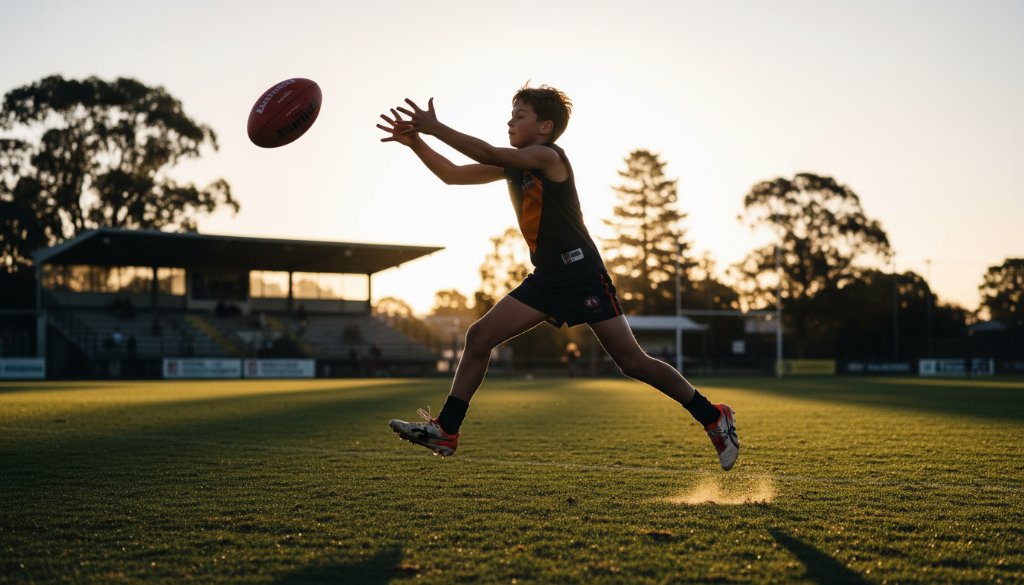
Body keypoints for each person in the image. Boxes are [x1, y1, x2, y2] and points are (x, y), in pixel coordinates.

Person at [377, 85, 739, 470]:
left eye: (520, 116)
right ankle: (446, 430)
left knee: (632, 361)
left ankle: (714, 416)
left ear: (545, 127)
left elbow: (485, 152)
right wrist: (416, 143)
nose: (510, 122)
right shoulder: (515, 164)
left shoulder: (548, 157)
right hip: (549, 275)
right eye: (511, 115)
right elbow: (452, 175)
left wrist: (436, 127)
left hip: (581, 271)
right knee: (479, 336)